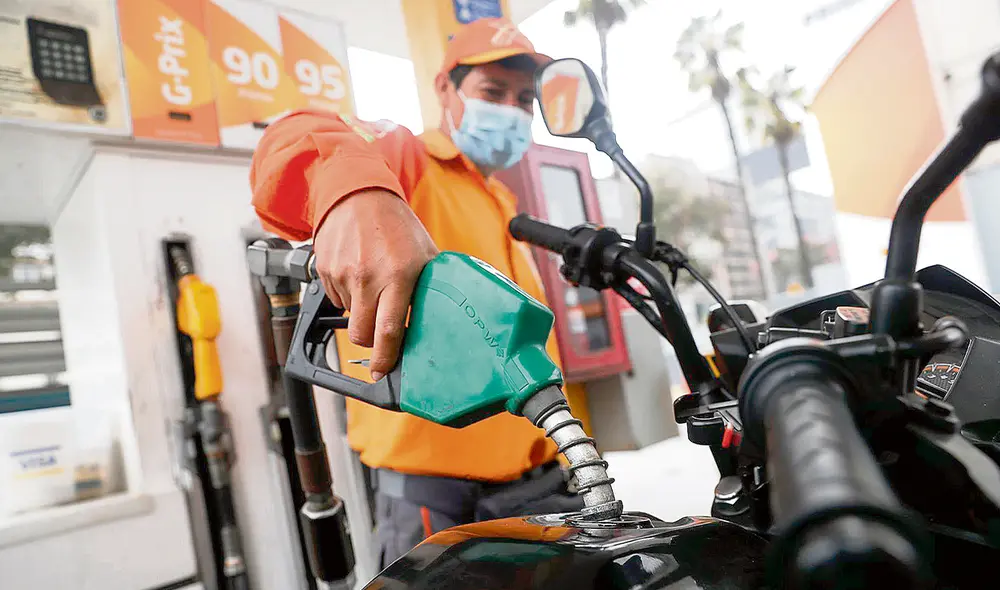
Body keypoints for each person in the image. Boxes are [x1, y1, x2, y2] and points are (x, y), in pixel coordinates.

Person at [250, 17, 583, 567]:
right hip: (443, 498)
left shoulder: (499, 200)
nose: (514, 111)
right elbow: (295, 137)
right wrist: (357, 192)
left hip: (542, 478)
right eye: (493, 93)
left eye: (525, 100)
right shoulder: (407, 162)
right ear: (445, 91)